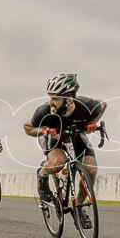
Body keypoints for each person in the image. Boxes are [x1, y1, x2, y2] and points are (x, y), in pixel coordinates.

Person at [23, 73, 106, 229]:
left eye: (55, 99)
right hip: (53, 138)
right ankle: (42, 173)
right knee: (58, 163)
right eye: (50, 97)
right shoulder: (44, 111)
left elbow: (102, 105)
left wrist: (92, 123)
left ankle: (79, 207)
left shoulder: (85, 105)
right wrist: (44, 130)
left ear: (69, 99)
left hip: (75, 135)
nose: (51, 102)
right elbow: (27, 128)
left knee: (91, 170)